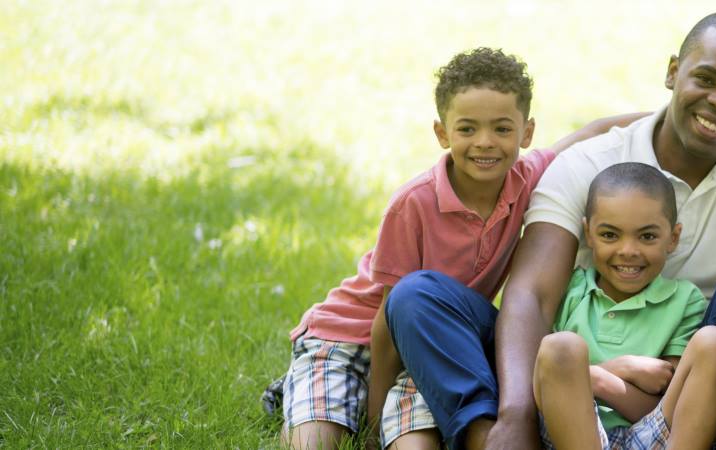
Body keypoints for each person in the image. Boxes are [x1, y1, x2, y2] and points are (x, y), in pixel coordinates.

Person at [384, 11, 716, 450]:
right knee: (419, 297)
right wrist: (516, 411)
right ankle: (499, 441)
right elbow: (532, 294)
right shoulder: (592, 161)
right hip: (567, 381)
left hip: (694, 390)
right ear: (673, 72)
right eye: (706, 79)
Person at [270, 47, 646, 450]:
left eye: (502, 129)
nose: (485, 143)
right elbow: (387, 319)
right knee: (315, 443)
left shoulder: (530, 176)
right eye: (467, 129)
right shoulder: (414, 203)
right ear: (442, 133)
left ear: (527, 132)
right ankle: (316, 392)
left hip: (436, 339)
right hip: (349, 335)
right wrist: (376, 420)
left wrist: (665, 116)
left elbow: (591, 133)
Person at [534, 162, 716, 449]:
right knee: (560, 347)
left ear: (673, 238)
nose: (628, 251)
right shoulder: (571, 289)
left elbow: (668, 407)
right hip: (574, 436)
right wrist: (620, 369)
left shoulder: (684, 300)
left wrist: (593, 380)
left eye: (647, 236)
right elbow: (545, 386)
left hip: (654, 434)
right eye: (609, 235)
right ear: (588, 233)